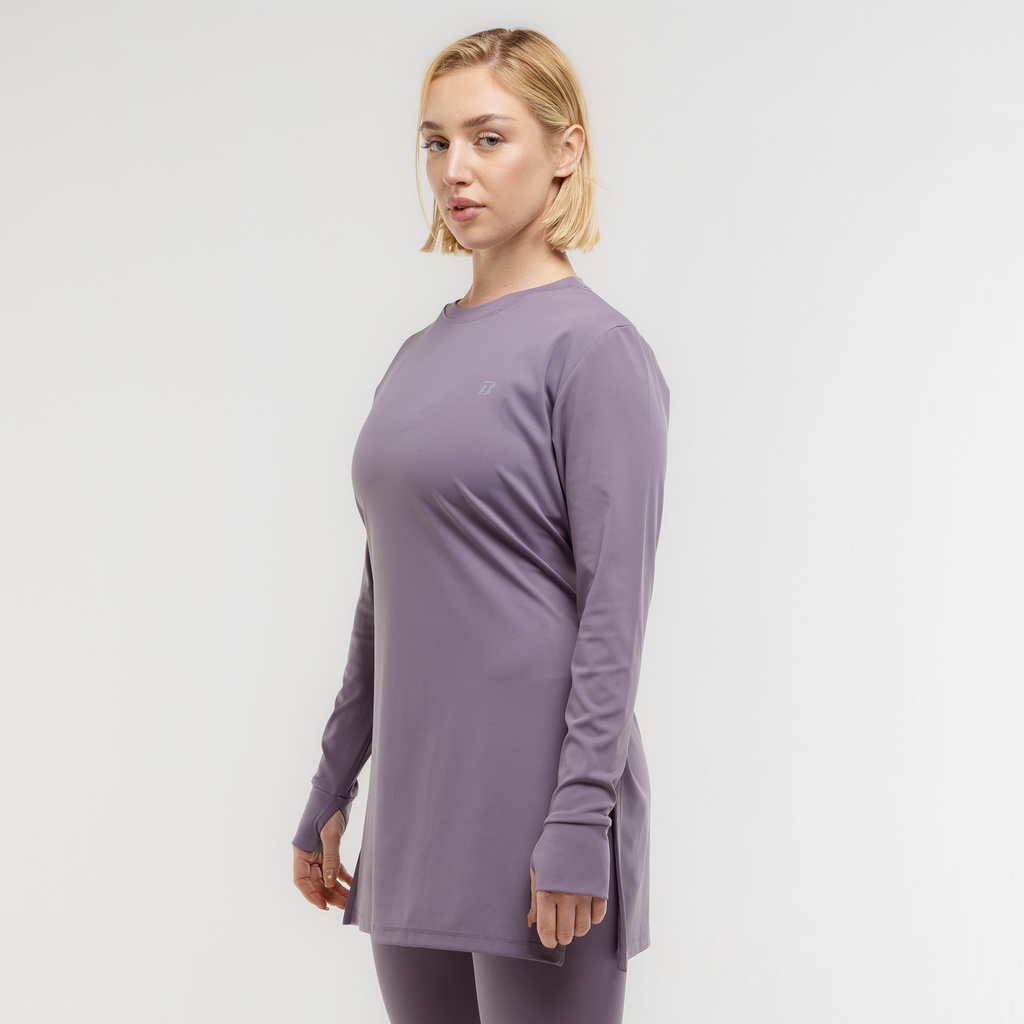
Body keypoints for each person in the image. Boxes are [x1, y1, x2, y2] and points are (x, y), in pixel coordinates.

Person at [291, 26, 670, 1024]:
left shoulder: (595, 351)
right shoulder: (415, 358)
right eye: (436, 142)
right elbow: (385, 595)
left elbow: (613, 611)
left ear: (566, 149)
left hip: (542, 807)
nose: (454, 169)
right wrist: (333, 782)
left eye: (488, 138)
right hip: (418, 804)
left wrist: (579, 818)